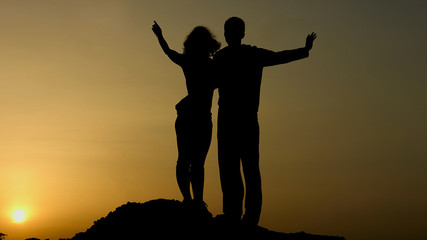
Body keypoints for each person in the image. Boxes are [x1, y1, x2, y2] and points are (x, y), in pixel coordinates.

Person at [213, 17, 317, 227]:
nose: (228, 35)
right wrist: (304, 50)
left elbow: (279, 57)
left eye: (231, 31)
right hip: (232, 119)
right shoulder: (225, 57)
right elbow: (207, 82)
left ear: (240, 34)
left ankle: (246, 217)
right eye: (227, 31)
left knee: (244, 168)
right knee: (233, 168)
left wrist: (304, 50)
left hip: (240, 119)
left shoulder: (238, 55)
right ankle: (237, 214)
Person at [152, 21, 220, 216]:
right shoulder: (210, 66)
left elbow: (168, 51)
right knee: (195, 162)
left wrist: (159, 35)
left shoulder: (191, 63)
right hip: (199, 118)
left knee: (186, 160)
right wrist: (160, 36)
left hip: (191, 116)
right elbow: (169, 52)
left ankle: (191, 200)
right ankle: (194, 201)